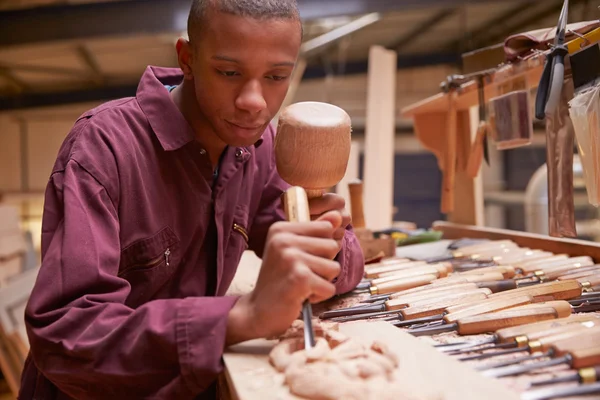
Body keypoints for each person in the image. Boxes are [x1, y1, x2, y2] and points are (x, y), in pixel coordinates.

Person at [18, 0, 365, 399]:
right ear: (187, 58)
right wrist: (242, 317)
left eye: (276, 76)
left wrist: (328, 245)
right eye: (229, 72)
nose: (254, 101)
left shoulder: (259, 146)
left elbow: (328, 260)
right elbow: (67, 335)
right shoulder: (104, 149)